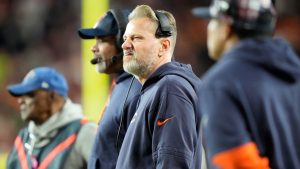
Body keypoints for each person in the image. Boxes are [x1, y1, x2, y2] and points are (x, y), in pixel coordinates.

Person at [192, 0, 300, 168]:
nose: (209, 27)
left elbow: (237, 164)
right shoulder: (295, 71)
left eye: (212, 20)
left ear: (226, 28)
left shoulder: (220, 83)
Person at [115, 5, 202, 169]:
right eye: (126, 38)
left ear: (164, 46)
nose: (125, 45)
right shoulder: (155, 90)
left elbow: (173, 164)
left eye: (136, 38)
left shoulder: (171, 89)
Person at [78, 9, 142, 169]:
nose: (94, 48)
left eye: (101, 40)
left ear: (124, 42)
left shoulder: (136, 89)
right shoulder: (123, 84)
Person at [6, 67, 97, 169]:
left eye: (30, 95)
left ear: (52, 96)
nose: (20, 101)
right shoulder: (23, 140)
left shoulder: (84, 133)